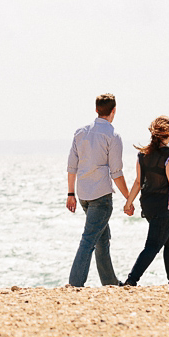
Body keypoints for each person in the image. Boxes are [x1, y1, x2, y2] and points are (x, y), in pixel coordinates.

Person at [66, 93, 130, 287]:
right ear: (114, 111)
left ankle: (109, 282)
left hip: (83, 194)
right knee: (89, 240)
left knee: (102, 238)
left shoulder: (80, 132)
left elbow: (71, 166)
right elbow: (116, 173)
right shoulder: (113, 136)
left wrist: (70, 194)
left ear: (96, 110)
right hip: (101, 196)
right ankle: (75, 283)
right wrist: (129, 198)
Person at [122, 116, 169, 286]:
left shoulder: (142, 154)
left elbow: (138, 182)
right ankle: (131, 280)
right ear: (167, 135)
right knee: (153, 245)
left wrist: (129, 202)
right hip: (163, 207)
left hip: (148, 205)